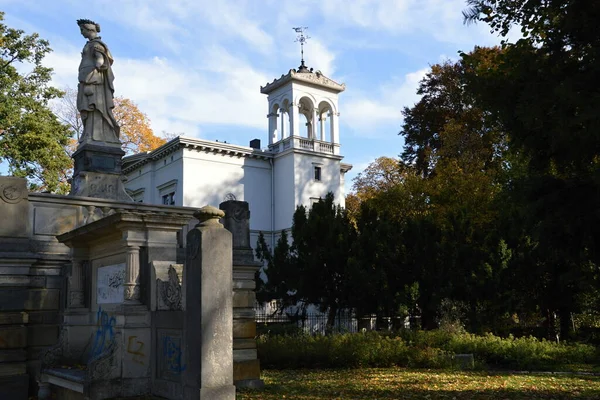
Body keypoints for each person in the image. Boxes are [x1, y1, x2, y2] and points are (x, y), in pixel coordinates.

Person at [76, 19, 120, 145]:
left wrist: (94, 69)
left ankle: (97, 135)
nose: (81, 33)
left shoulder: (97, 45)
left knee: (94, 106)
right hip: (87, 80)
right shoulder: (89, 44)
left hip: (94, 80)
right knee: (88, 107)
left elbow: (100, 59)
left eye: (82, 30)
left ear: (89, 29)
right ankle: (89, 134)